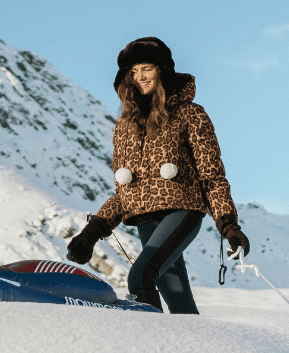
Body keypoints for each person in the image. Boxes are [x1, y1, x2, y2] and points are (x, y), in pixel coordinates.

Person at [66, 37, 248, 312]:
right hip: (143, 216)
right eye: (133, 71)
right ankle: (198, 350)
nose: (139, 77)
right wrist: (91, 233)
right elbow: (124, 193)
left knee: (140, 278)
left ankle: (150, 350)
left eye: (146, 68)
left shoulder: (190, 114)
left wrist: (229, 226)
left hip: (181, 209)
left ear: (161, 70)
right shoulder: (125, 126)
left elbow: (212, 176)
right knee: (178, 301)